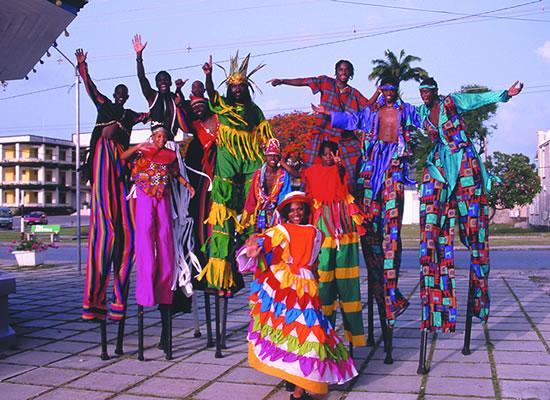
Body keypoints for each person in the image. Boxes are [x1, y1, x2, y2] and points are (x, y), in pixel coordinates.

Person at [416, 77, 523, 333]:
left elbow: (478, 100)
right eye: (421, 92)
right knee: (432, 228)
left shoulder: (452, 102)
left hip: (463, 161)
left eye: (428, 91)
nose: (424, 96)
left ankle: (478, 300)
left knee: (475, 232)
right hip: (441, 163)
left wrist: (504, 94)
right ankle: (436, 307)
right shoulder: (420, 112)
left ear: (435, 91)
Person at [314, 76, 420, 330]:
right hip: (372, 171)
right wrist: (327, 113)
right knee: (370, 232)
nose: (388, 94)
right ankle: (383, 296)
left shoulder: (406, 112)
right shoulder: (370, 114)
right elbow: (350, 119)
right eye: (384, 90)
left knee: (391, 237)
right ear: (381, 90)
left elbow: (427, 119)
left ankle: (391, 295)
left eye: (392, 90)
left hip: (394, 168)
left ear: (396, 92)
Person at [238, 191, 358, 400]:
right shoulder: (280, 230)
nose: (296, 213)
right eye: (291, 210)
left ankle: (298, 386)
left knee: (308, 333)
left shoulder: (315, 232)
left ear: (306, 210)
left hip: (306, 287)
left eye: (300, 208)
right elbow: (262, 240)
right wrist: (253, 245)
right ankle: (297, 388)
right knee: (291, 332)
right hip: (284, 287)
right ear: (285, 212)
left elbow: (314, 261)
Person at [76, 48, 148, 323]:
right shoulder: (105, 105)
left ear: (126, 97)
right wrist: (83, 67)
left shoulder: (129, 115)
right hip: (103, 161)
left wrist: (171, 96)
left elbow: (150, 112)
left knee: (124, 230)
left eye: (123, 93)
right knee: (104, 229)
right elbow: (91, 89)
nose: (119, 95)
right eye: (117, 92)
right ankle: (94, 301)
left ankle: (117, 302)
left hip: (121, 164)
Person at [197, 53, 274, 296]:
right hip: (227, 161)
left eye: (242, 86)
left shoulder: (254, 110)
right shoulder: (222, 106)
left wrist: (275, 158)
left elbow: (268, 137)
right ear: (229, 89)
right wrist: (208, 76)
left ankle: (257, 266)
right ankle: (220, 280)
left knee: (256, 210)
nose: (238, 90)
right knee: (222, 217)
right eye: (234, 87)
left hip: (250, 159)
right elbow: (210, 94)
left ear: (247, 89)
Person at [284, 141, 366, 347]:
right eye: (325, 154)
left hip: (344, 227)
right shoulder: (312, 172)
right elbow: (297, 174)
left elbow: (345, 182)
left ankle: (353, 338)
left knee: (348, 282)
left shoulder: (342, 170)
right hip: (323, 227)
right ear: (320, 156)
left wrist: (340, 166)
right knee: (323, 281)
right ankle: (324, 336)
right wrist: (280, 161)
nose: (329, 157)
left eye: (332, 153)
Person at [269, 60, 376, 189]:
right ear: (336, 71)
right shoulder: (326, 82)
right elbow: (304, 81)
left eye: (347, 70)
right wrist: (282, 81)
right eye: (341, 69)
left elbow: (368, 106)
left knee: (352, 165)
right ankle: (308, 201)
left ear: (351, 74)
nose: (343, 72)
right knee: (310, 167)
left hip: (343, 138)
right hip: (322, 134)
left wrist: (379, 92)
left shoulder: (354, 94)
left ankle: (349, 198)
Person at [121, 125, 195, 308]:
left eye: (164, 137)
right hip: (145, 196)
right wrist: (138, 147)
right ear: (153, 136)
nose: (161, 139)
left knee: (165, 239)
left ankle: (164, 293)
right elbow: (122, 158)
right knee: (145, 237)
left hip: (163, 197)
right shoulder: (143, 152)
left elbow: (175, 174)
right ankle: (145, 294)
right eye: (158, 136)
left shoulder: (170, 156)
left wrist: (188, 186)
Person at [132, 34, 190, 136]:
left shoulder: (175, 97)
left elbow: (183, 113)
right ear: (156, 84)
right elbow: (141, 77)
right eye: (160, 80)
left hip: (171, 142)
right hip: (155, 143)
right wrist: (139, 55)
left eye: (165, 80)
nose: (163, 82)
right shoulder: (153, 96)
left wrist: (179, 89)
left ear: (170, 82)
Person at [242, 138, 292, 233]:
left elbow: (285, 198)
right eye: (270, 156)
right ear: (265, 157)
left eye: (275, 156)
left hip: (277, 214)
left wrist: (282, 215)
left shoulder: (283, 176)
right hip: (259, 213)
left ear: (279, 158)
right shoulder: (258, 174)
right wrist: (248, 214)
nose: (273, 159)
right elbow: (252, 196)